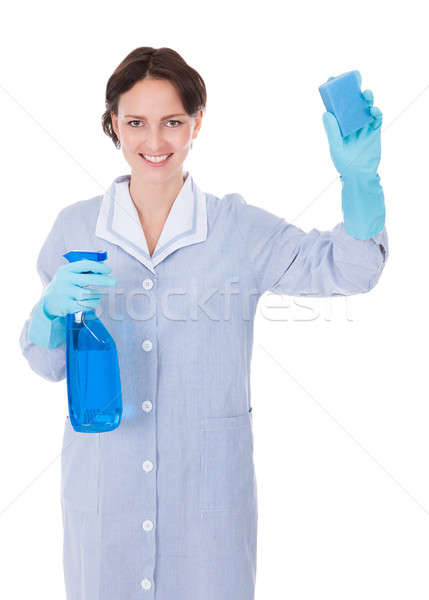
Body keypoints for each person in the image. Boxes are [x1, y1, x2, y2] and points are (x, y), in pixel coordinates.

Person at [19, 46, 389, 600]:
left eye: (172, 122)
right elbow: (48, 363)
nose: (155, 141)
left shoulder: (237, 229)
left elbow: (350, 268)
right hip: (104, 500)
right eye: (136, 122)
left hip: (209, 510)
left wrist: (361, 180)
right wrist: (48, 312)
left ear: (196, 124)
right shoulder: (75, 229)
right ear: (113, 126)